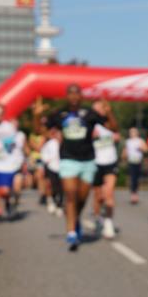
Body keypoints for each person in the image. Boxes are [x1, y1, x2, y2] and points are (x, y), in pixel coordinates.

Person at [46, 84, 109, 251]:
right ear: (67, 96)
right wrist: (37, 116)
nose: (74, 96)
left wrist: (108, 112)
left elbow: (112, 127)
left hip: (87, 160)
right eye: (71, 93)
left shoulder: (89, 113)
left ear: (81, 96)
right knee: (70, 195)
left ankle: (75, 219)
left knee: (81, 198)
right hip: (68, 160)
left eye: (77, 93)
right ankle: (71, 233)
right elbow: (42, 129)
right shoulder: (60, 113)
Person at [88, 99, 120, 239]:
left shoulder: (108, 123)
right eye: (95, 110)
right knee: (98, 196)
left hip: (110, 162)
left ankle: (108, 222)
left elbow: (115, 128)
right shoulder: (90, 124)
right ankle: (97, 218)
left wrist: (109, 112)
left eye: (101, 109)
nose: (98, 112)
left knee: (109, 194)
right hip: (95, 163)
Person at [40, 127, 64, 216]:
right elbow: (43, 153)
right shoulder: (50, 143)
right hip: (52, 167)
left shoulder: (65, 144)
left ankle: (60, 205)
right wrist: (47, 160)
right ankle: (52, 200)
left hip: (63, 168)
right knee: (53, 185)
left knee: (61, 187)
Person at [122, 127, 148, 205]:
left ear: (137, 133)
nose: (132, 133)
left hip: (138, 161)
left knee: (137, 178)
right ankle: (133, 194)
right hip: (131, 161)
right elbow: (124, 152)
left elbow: (146, 149)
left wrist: (142, 148)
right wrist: (124, 155)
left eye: (134, 132)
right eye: (131, 132)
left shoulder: (140, 141)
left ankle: (135, 192)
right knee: (133, 178)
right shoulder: (128, 141)